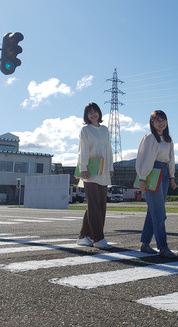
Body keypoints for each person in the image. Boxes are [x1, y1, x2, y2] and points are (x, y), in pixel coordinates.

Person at [135, 110, 177, 259]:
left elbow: (171, 159)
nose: (161, 122)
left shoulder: (168, 139)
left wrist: (172, 177)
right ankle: (163, 247)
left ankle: (145, 244)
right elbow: (142, 158)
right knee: (159, 213)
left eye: (163, 119)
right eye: (157, 120)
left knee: (153, 211)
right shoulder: (149, 138)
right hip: (152, 172)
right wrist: (142, 178)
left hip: (165, 173)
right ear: (152, 123)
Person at [76, 102, 115, 249]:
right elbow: (83, 150)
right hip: (90, 172)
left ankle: (83, 236)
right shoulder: (85, 130)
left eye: (95, 111)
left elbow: (109, 149)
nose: (93, 114)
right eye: (89, 112)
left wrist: (111, 167)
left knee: (99, 205)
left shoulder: (105, 130)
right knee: (93, 205)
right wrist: (83, 168)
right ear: (86, 115)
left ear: (99, 113)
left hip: (103, 171)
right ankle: (98, 238)